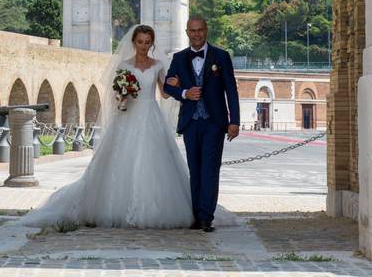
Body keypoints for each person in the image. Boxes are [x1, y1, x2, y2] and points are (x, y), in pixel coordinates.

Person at [16, 25, 193, 228]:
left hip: (151, 115)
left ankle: (155, 208)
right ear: (133, 42)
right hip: (129, 117)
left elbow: (164, 94)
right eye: (140, 42)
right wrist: (123, 97)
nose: (143, 46)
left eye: (147, 42)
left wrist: (176, 85)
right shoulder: (125, 66)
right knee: (122, 158)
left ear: (152, 43)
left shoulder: (158, 65)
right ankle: (115, 208)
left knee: (155, 159)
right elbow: (116, 96)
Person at [162, 16, 240, 232]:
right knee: (194, 170)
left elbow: (231, 90)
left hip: (214, 122)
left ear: (206, 31)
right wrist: (185, 92)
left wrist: (234, 121)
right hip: (190, 122)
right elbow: (168, 88)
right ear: (187, 32)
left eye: (200, 30)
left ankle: (206, 217)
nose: (196, 34)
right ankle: (196, 214)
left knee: (210, 169)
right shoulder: (179, 58)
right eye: (192, 31)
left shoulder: (221, 57)